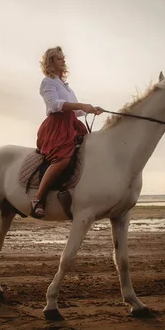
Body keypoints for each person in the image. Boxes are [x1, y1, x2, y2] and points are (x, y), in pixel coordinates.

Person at [31, 46, 103, 219]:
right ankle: (37, 199)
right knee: (63, 159)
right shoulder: (47, 82)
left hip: (71, 123)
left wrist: (91, 109)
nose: (63, 61)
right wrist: (81, 105)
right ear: (50, 63)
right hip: (57, 125)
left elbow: (78, 112)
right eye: (59, 58)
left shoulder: (66, 87)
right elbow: (54, 104)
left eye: (63, 58)